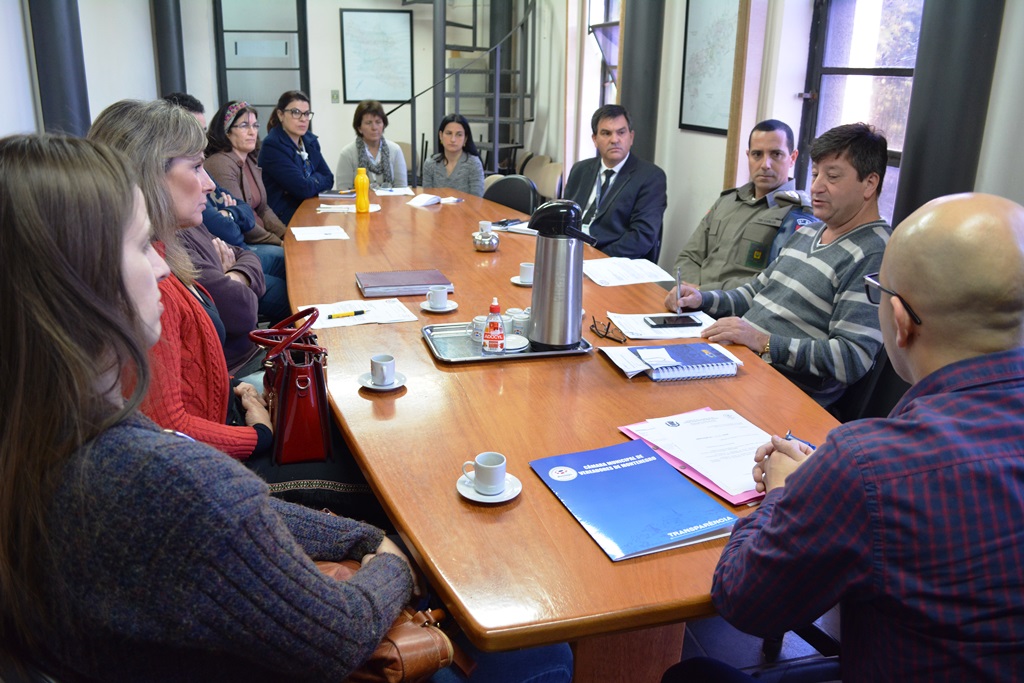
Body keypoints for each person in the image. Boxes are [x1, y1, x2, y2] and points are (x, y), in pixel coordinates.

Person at [0, 133, 414, 679]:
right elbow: (339, 633)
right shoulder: (169, 480)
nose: (162, 269)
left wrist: (359, 536)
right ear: (78, 279)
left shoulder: (35, 438)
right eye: (141, 244)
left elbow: (229, 519)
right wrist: (395, 561)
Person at [663, 192, 1024, 683]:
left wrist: (786, 493)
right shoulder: (871, 465)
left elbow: (743, 601)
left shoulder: (868, 466)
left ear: (899, 321)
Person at [88, 99, 273, 458]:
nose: (208, 183)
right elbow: (170, 427)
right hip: (221, 450)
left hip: (228, 410)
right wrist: (261, 435)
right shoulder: (147, 285)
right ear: (150, 175)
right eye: (197, 167)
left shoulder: (169, 244)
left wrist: (237, 389)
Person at [670, 123, 892, 407]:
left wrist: (762, 341)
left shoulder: (874, 252)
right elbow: (755, 292)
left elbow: (851, 357)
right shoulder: (811, 231)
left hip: (782, 390)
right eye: (815, 174)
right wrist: (702, 299)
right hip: (738, 362)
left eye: (832, 177)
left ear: (870, 183)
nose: (816, 187)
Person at [166, 94, 290, 325]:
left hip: (238, 252)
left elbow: (255, 208)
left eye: (255, 125)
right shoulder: (219, 164)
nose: (252, 131)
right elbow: (231, 231)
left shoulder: (248, 161)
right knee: (289, 288)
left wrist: (282, 236)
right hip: (240, 248)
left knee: (288, 263)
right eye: (245, 125)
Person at [669, 119, 812, 291]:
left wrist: (704, 294)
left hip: (739, 312)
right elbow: (688, 256)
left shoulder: (796, 215)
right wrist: (689, 291)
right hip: (692, 303)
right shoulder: (727, 201)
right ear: (748, 156)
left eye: (776, 154)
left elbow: (773, 282)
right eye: (757, 154)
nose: (765, 165)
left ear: (792, 158)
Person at [563, 104, 667, 260]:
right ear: (595, 139)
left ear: (631, 137)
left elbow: (641, 237)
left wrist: (596, 258)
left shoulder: (650, 177)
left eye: (621, 132)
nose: (614, 140)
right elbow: (565, 217)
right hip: (571, 252)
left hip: (610, 261)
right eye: (606, 133)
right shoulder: (580, 169)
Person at [258, 90, 334, 224]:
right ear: (281, 115)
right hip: (285, 214)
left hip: (311, 206)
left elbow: (329, 178)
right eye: (296, 112)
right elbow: (302, 189)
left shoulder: (310, 141)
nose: (303, 119)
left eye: (306, 114)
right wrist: (316, 179)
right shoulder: (273, 145)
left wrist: (310, 181)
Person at [335, 99, 409, 190]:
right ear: (359, 128)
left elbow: (402, 189)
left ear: (383, 125)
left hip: (390, 203)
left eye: (378, 122)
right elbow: (343, 191)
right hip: (359, 203)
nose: (374, 127)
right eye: (368, 123)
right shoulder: (347, 153)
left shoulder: (395, 150)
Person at [420, 113, 485, 196]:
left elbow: (477, 201)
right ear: (441, 136)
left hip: (466, 209)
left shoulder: (474, 164)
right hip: (437, 209)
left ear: (465, 139)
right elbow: (427, 199)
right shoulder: (430, 164)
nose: (453, 139)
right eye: (449, 133)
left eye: (459, 135)